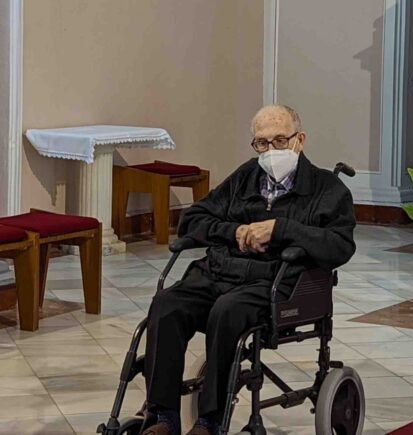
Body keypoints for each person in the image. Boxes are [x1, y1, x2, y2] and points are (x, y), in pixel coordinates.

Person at [140, 105, 356, 435]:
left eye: (279, 140)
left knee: (228, 311)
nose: (270, 151)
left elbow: (340, 246)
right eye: (261, 143)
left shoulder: (328, 190)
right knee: (167, 304)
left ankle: (209, 421)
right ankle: (162, 417)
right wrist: (234, 232)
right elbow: (192, 220)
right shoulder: (245, 177)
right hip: (218, 272)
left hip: (274, 283)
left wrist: (280, 229)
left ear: (300, 140)